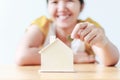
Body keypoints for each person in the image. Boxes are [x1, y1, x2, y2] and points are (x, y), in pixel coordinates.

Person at [15, 0, 119, 66]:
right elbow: (22, 56)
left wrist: (103, 43)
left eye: (69, 0)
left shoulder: (88, 28)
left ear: (81, 6)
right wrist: (73, 57)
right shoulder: (42, 25)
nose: (62, 8)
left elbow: (110, 61)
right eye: (55, 2)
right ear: (48, 7)